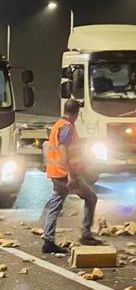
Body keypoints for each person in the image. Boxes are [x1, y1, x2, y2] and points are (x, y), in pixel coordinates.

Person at [42, 97, 98, 254]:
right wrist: (71, 175)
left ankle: (48, 240)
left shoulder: (59, 124)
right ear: (76, 113)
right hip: (65, 175)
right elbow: (63, 151)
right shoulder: (66, 127)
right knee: (91, 197)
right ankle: (85, 234)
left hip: (58, 173)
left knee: (55, 204)